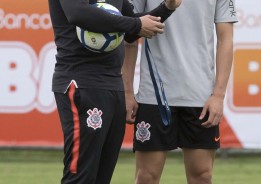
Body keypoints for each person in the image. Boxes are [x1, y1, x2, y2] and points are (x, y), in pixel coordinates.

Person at [48, 0, 181, 183]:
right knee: (80, 176)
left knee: (102, 176)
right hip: (81, 83)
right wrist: (136, 24)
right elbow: (78, 13)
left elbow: (132, 31)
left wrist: (168, 7)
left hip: (113, 85)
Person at [123, 0, 238, 183]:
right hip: (154, 96)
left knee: (202, 176)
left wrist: (218, 95)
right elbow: (129, 38)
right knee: (146, 177)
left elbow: (226, 40)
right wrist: (127, 92)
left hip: (200, 98)